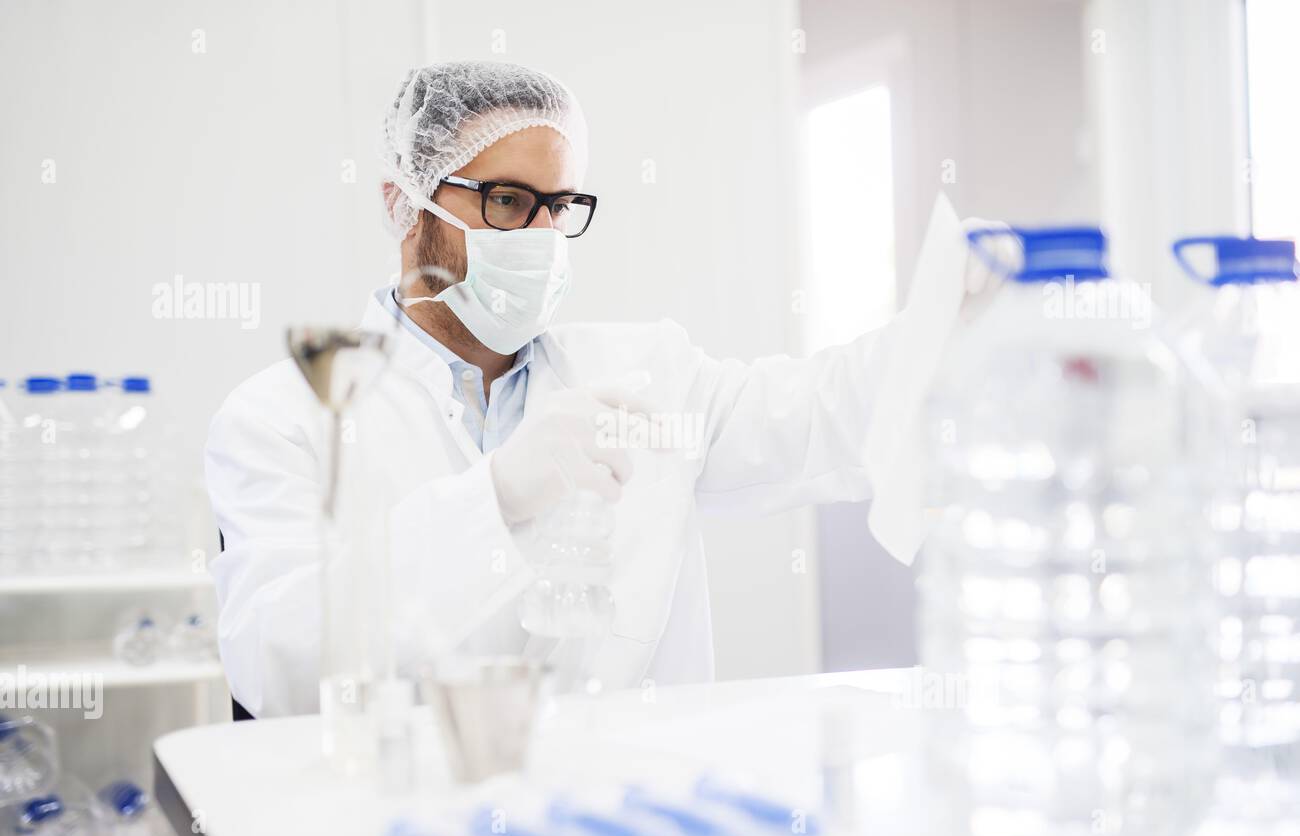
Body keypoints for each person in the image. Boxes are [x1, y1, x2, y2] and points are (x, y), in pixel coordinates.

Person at [205, 60, 994, 718]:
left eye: (562, 206)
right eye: (508, 201)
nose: (544, 239)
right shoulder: (282, 418)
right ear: (403, 204)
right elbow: (277, 661)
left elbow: (822, 415)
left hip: (618, 820)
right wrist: (497, 497)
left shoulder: (646, 376)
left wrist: (949, 314)